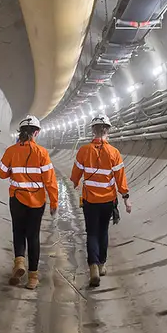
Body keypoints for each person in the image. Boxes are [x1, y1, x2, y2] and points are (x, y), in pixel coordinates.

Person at [0, 115, 58, 290]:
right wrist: (54, 201)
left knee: (18, 231)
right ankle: (32, 278)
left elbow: (1, 173)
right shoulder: (42, 153)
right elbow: (50, 181)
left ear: (20, 132)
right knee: (33, 236)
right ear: (36, 133)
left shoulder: (11, 151)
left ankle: (19, 262)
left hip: (16, 199)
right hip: (37, 202)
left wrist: (11, 172)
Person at [70, 114, 131, 287]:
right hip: (108, 201)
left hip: (89, 200)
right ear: (107, 130)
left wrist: (75, 182)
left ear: (93, 130)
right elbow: (120, 179)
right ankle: (102, 264)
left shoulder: (84, 150)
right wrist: (126, 198)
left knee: (92, 233)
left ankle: (93, 267)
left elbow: (75, 176)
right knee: (103, 232)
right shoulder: (114, 153)